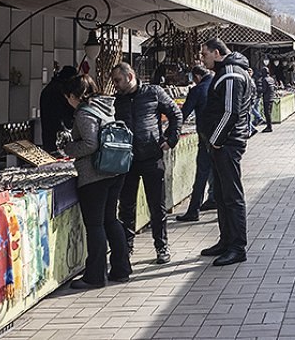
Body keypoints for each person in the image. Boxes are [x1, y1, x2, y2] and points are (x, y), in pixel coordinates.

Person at [61, 74, 131, 289]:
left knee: (95, 225)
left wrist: (69, 149)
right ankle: (121, 269)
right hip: (115, 170)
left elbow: (90, 144)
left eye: (68, 97)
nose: (68, 102)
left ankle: (95, 276)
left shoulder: (84, 112)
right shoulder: (105, 106)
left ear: (74, 95)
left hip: (95, 174)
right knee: (111, 220)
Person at [110, 62, 182, 265]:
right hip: (127, 160)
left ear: (130, 76)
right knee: (126, 206)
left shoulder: (153, 92)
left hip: (151, 156)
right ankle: (126, 248)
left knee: (157, 206)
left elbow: (175, 113)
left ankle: (162, 246)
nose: (115, 85)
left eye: (118, 80)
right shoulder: (117, 101)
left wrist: (171, 139)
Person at [197, 38, 257, 266]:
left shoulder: (231, 73)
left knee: (232, 196)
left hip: (227, 144)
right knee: (222, 195)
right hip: (223, 143)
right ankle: (226, 240)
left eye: (205, 55)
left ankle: (237, 246)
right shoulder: (227, 72)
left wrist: (216, 140)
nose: (203, 60)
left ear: (216, 52)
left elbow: (231, 112)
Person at [177, 65, 215, 222]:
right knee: (218, 172)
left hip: (205, 136)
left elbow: (183, 114)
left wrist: (172, 131)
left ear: (197, 76)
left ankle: (194, 210)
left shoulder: (197, 90)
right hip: (220, 136)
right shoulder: (217, 84)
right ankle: (214, 199)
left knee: (202, 173)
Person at [39, 66, 78, 152]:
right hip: (62, 136)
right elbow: (68, 115)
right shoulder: (62, 91)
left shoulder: (48, 89)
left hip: (48, 135)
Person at [254, 62, 276, 133]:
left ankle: (269, 127)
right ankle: (269, 126)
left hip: (266, 98)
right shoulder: (271, 79)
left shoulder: (264, 80)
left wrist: (257, 89)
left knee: (267, 113)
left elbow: (264, 90)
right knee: (269, 113)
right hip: (272, 97)